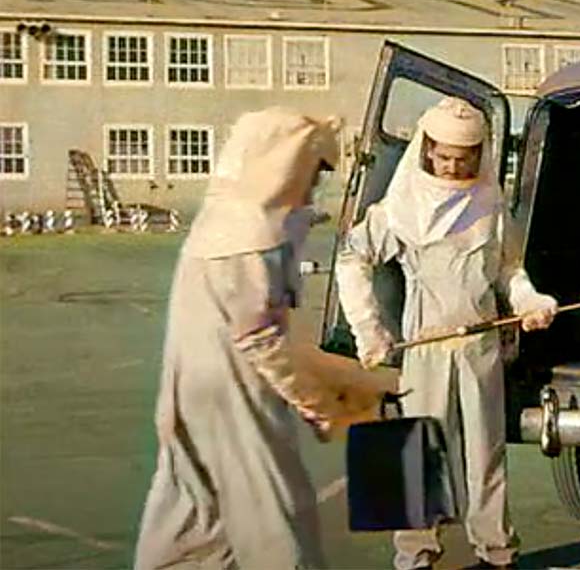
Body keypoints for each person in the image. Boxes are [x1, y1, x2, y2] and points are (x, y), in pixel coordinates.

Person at [135, 107, 395, 569]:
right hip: (237, 398)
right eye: (312, 172)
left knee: (193, 518)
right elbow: (261, 339)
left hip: (189, 392)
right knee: (275, 520)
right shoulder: (256, 235)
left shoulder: (218, 220)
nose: (313, 185)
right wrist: (320, 402)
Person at [335, 96, 558, 570]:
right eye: (445, 158)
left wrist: (529, 302)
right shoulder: (400, 207)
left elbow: (509, 270)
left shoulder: (491, 207)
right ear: (427, 151)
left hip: (481, 347)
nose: (453, 167)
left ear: (480, 155)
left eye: (464, 159)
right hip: (426, 348)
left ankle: (497, 554)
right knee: (418, 450)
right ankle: (415, 555)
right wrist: (368, 330)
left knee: (486, 456)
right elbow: (353, 259)